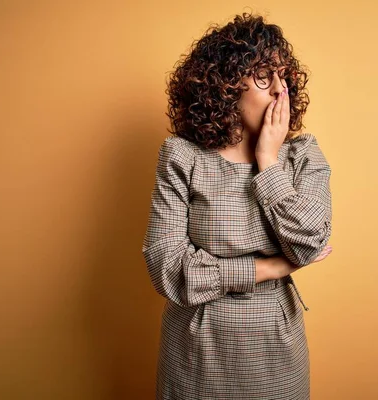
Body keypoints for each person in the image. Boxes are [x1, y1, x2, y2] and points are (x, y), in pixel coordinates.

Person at [142, 11, 333, 400]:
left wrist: (268, 160)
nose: (281, 90)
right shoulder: (182, 157)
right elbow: (167, 268)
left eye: (285, 77)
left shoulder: (303, 156)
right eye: (265, 76)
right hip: (197, 351)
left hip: (276, 351)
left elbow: (309, 242)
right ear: (226, 84)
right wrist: (270, 267)